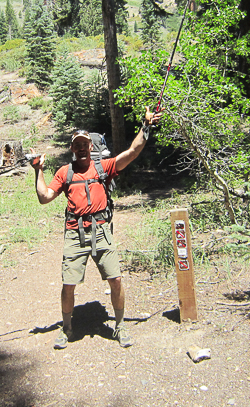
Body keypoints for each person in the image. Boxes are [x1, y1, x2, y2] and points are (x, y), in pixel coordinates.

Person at [31, 107, 161, 349]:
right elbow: (44, 197)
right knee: (68, 284)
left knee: (116, 280)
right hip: (74, 233)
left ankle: (120, 326)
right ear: (72, 148)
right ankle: (67, 328)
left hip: (101, 230)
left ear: (91, 147)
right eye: (76, 145)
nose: (81, 148)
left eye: (85, 144)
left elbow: (133, 152)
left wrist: (146, 126)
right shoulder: (64, 172)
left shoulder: (104, 167)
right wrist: (38, 170)